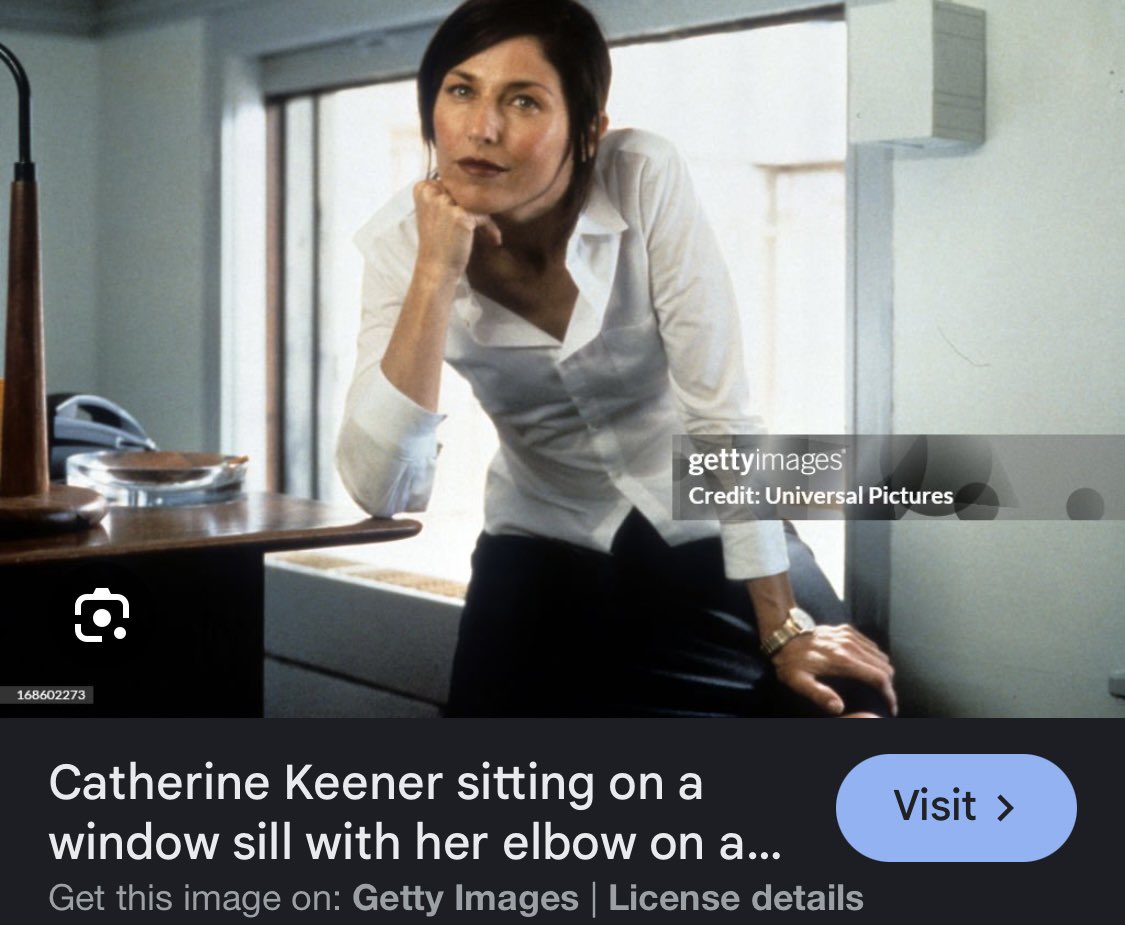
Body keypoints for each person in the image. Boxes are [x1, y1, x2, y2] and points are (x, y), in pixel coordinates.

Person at [337, 0, 895, 718]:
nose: (482, 128)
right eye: (460, 90)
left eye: (523, 100)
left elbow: (717, 409)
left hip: (695, 499)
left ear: (589, 131)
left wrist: (783, 626)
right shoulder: (397, 247)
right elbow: (380, 488)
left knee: (846, 698)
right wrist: (434, 274)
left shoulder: (643, 176)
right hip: (541, 528)